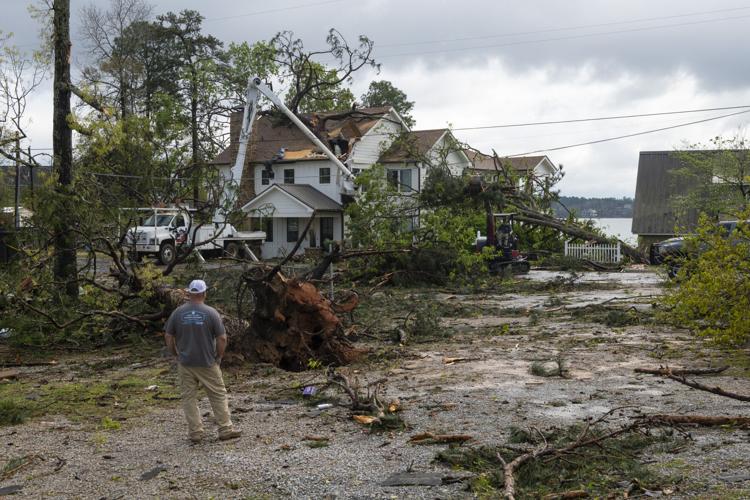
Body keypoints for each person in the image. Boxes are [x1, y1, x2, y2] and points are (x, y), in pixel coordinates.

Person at [164, 279, 241, 444]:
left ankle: (196, 433)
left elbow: (169, 336)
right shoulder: (211, 313)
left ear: (189, 293)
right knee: (218, 394)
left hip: (185, 363)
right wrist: (219, 357)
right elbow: (222, 338)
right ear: (204, 293)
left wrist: (175, 354)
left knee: (189, 397)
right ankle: (225, 429)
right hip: (207, 362)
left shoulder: (178, 313)